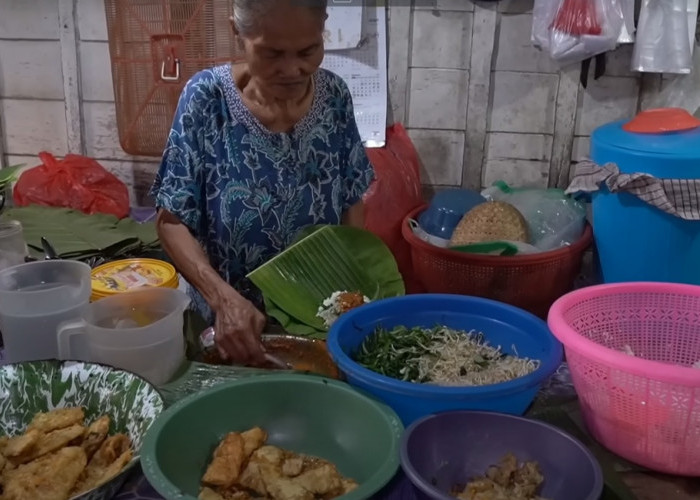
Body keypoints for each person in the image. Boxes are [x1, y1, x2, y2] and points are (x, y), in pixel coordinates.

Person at [150, 0, 375, 365]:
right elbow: (171, 220)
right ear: (237, 32)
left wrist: (347, 295)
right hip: (227, 326)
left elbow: (351, 198)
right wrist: (222, 300)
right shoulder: (207, 99)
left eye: (308, 50)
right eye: (271, 53)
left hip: (313, 318)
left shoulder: (334, 96)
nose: (292, 69)